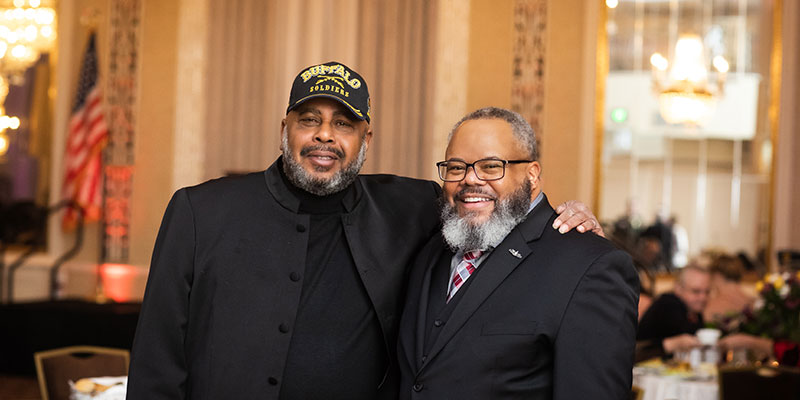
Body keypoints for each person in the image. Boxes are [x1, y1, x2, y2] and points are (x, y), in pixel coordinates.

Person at [126, 62, 600, 399]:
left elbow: (490, 200)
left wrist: (565, 219)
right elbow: (157, 359)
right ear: (285, 128)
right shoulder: (201, 211)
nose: (325, 135)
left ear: (365, 139)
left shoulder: (411, 205)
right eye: (309, 120)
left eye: (344, 124)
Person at [396, 107, 639, 399]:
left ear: (532, 176)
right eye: (456, 167)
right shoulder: (431, 246)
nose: (470, 179)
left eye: (490, 166)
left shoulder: (590, 266)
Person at [636, 265, 711, 361]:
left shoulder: (694, 311)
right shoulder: (669, 303)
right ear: (678, 288)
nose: (703, 298)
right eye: (696, 291)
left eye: (707, 292)